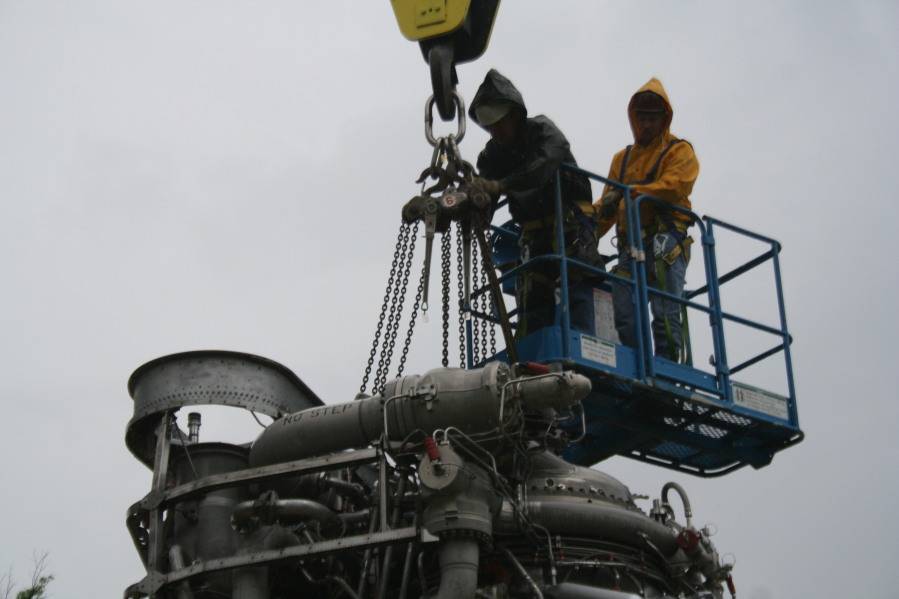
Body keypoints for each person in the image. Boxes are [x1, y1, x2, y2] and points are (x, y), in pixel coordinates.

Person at [468, 69, 603, 337]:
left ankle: (584, 345)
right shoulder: (492, 155)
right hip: (533, 232)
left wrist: (504, 185)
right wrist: (473, 207)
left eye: (500, 124)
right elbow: (486, 194)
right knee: (532, 293)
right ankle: (533, 355)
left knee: (578, 279)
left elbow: (544, 163)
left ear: (515, 115)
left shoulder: (543, 132)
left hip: (571, 223)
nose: (495, 131)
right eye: (490, 126)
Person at [595, 78, 700, 361]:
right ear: (634, 118)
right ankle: (636, 363)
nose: (647, 124)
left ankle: (666, 367)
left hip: (665, 242)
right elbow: (606, 208)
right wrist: (582, 227)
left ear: (663, 119)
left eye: (653, 118)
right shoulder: (623, 159)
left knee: (665, 312)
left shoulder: (679, 151)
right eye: (642, 118)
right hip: (630, 247)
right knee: (626, 312)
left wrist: (628, 193)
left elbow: (673, 187)